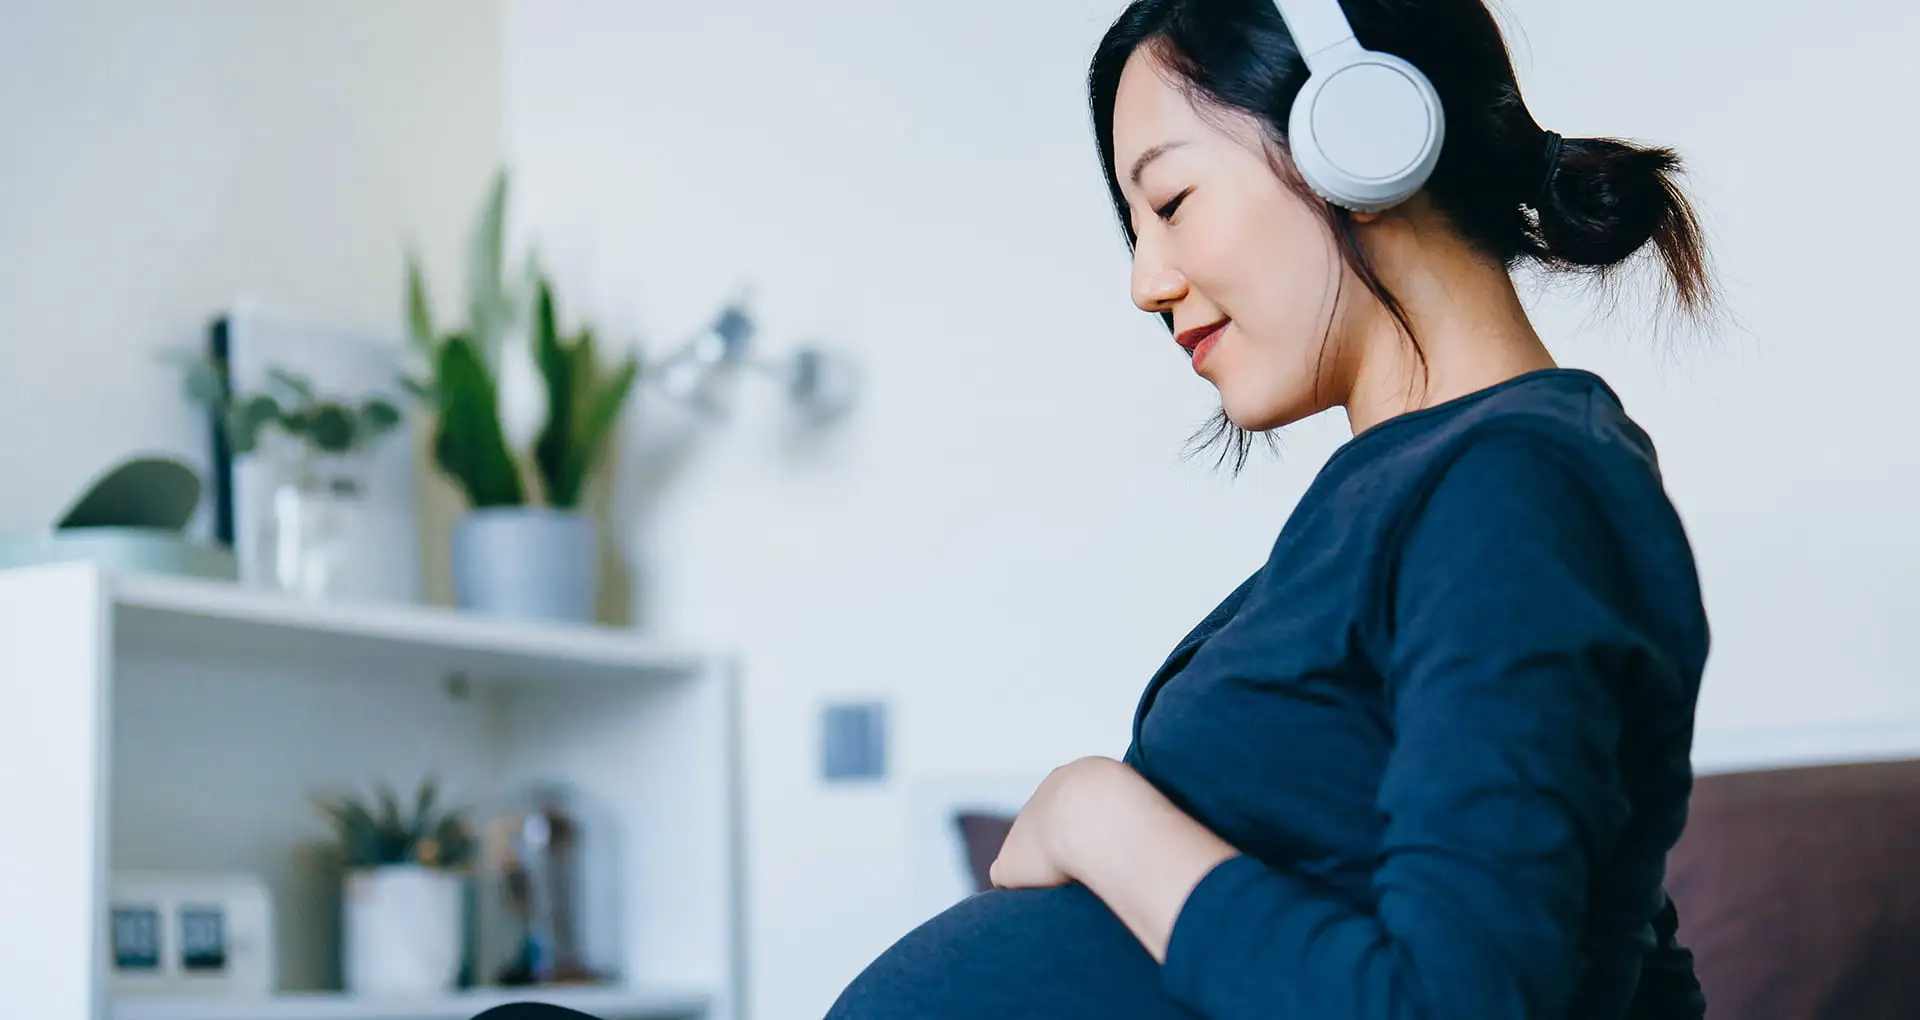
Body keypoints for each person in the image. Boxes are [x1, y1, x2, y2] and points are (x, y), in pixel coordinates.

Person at [823, 0, 1716, 1018]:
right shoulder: (1456, 491)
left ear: (1361, 137)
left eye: (1170, 202)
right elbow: (1608, 931)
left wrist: (1103, 819)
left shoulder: (1514, 489)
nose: (1143, 281)